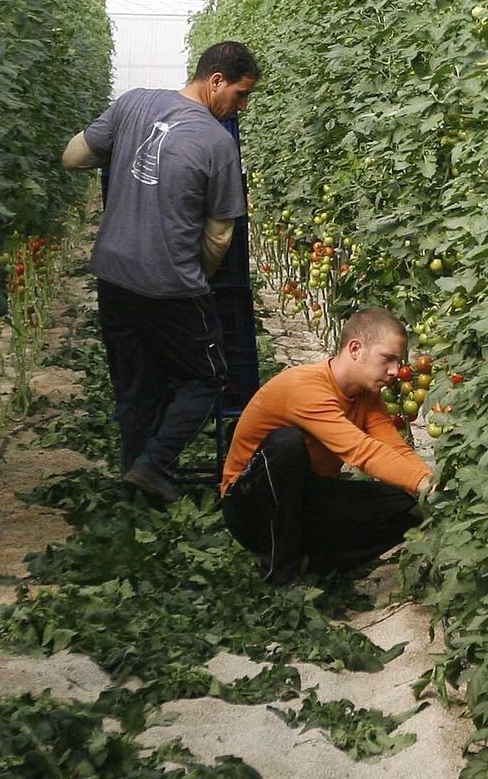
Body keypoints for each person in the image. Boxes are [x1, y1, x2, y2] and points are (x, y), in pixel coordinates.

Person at [61, 41, 260, 506]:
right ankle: (153, 465)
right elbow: (219, 236)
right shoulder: (218, 143)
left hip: (113, 276)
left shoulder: (133, 103)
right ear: (216, 81)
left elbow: (73, 156)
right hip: (170, 284)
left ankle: (136, 493)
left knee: (136, 387)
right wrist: (196, 281)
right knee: (207, 378)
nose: (242, 107)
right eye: (241, 94)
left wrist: (121, 160)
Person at [220, 307, 434, 584]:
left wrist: (431, 485)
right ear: (355, 349)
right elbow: (361, 451)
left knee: (408, 504)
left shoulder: (367, 396)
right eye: (387, 359)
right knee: (287, 444)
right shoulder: (305, 386)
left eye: (398, 361)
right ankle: (280, 575)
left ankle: (317, 566)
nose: (394, 370)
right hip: (249, 507)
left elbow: (396, 449)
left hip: (303, 498)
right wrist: (424, 485)